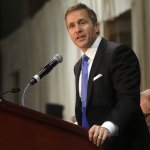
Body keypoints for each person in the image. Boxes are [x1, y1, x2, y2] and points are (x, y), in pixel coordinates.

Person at [65, 3, 150, 150]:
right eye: (71, 26)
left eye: (82, 22)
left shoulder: (118, 53)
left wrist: (107, 127)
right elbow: (87, 110)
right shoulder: (78, 66)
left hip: (123, 145)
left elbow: (128, 99)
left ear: (96, 27)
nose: (77, 30)